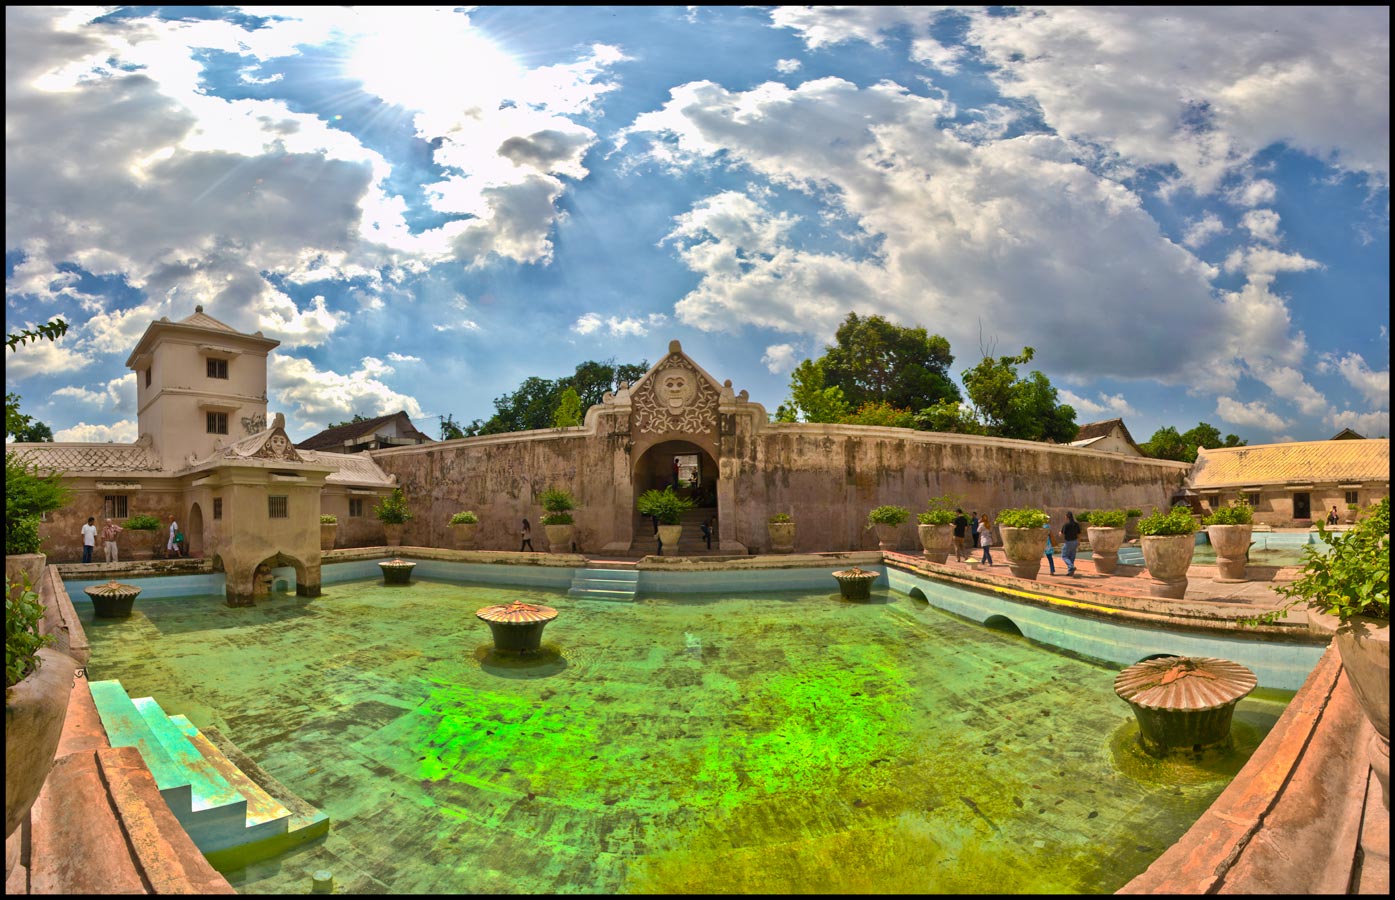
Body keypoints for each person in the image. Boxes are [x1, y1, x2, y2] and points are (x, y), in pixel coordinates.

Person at [1061, 511, 1081, 576]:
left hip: (1068, 542)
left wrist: (1059, 533)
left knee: (1064, 556)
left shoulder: (1066, 525)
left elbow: (1062, 533)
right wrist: (1079, 541)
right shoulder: (1076, 524)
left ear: (1067, 517)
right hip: (1075, 541)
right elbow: (1079, 534)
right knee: (1072, 557)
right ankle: (1070, 572)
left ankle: (1071, 566)